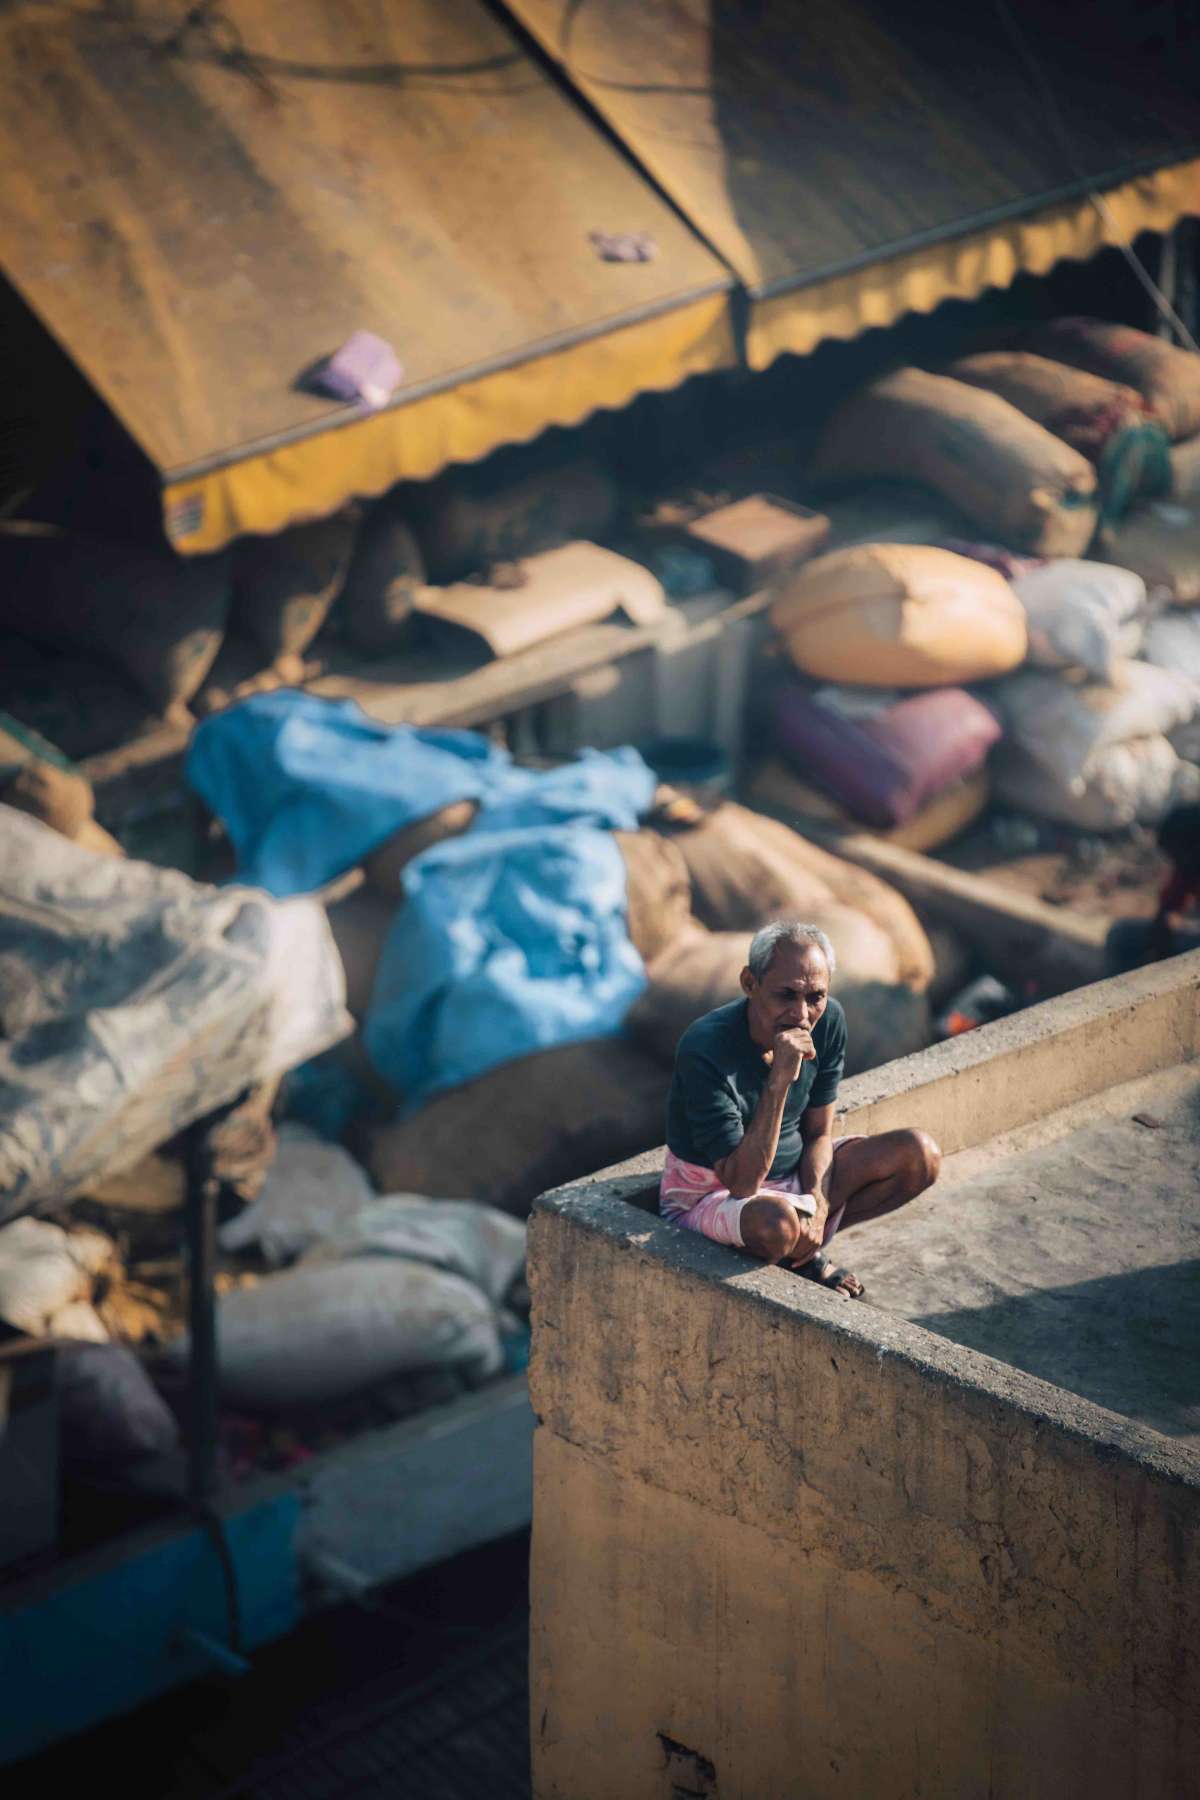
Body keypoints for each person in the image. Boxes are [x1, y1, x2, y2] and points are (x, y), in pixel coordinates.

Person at [661, 919, 940, 1299]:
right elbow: (741, 1183)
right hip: (715, 1193)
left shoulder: (829, 1022)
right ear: (749, 983)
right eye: (785, 995)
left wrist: (818, 1204)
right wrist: (778, 1081)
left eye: (815, 997)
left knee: (919, 1155)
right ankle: (799, 1252)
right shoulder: (705, 1047)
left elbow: (820, 1133)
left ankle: (804, 1242)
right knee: (776, 1226)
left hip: (796, 1178)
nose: (802, 1014)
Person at [1105, 804, 1200, 975]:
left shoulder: (1191, 858)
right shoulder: (1190, 866)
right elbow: (1170, 904)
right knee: (1122, 935)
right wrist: (1161, 929)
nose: (1177, 860)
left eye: (1179, 854)